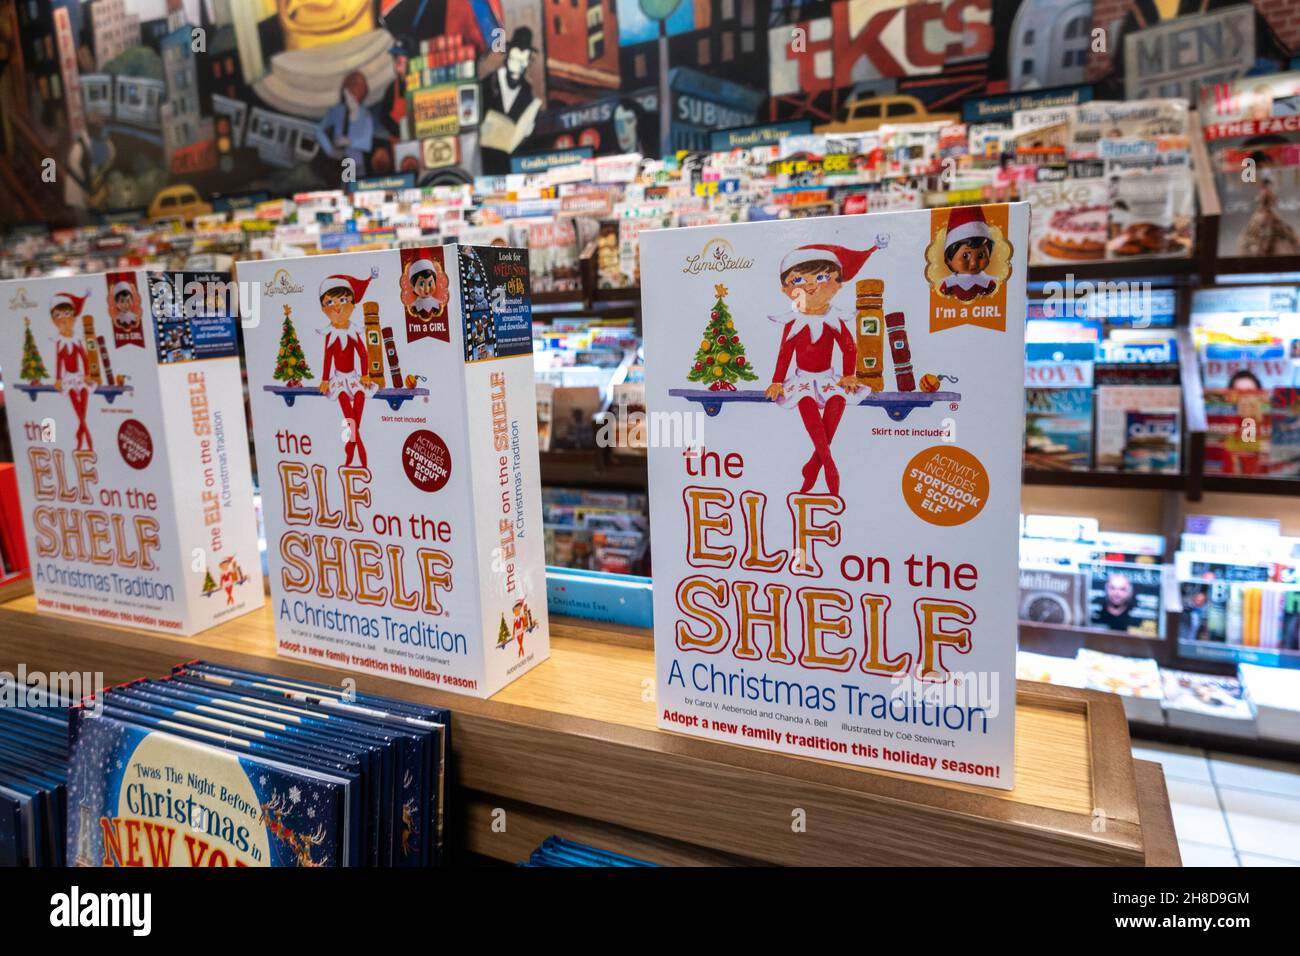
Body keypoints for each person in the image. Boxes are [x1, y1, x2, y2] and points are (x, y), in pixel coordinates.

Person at [764, 242, 884, 495]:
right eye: (799, 280)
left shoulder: (834, 318)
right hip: (803, 379)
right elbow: (784, 353)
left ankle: (814, 464)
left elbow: (849, 348)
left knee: (837, 402)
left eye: (821, 277)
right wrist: (777, 380)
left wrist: (850, 374)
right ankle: (828, 464)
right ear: (786, 289)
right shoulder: (793, 321)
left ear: (838, 283)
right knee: (805, 401)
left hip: (828, 377)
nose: (810, 286)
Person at [317, 269, 379, 467]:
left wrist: (365, 374)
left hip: (355, 378)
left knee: (359, 402)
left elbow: (363, 353)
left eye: (342, 300)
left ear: (352, 304)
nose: (336, 306)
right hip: (339, 380)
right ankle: (358, 451)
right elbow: (327, 358)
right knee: (348, 414)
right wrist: (325, 379)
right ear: (323, 308)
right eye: (330, 302)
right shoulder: (330, 334)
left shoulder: (353, 331)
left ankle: (351, 449)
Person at [480, 27, 538, 174]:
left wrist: (527, 132)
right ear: (507, 57)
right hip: (485, 166)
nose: (517, 69)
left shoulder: (527, 93)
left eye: (523, 63)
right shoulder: (488, 84)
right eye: (515, 60)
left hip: (512, 169)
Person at [50, 291, 94, 451]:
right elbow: (58, 361)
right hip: (68, 379)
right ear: (53, 320)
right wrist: (58, 379)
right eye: (58, 315)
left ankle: (82, 436)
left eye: (67, 314)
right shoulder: (59, 342)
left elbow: (84, 357)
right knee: (79, 413)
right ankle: (86, 437)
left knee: (83, 410)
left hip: (80, 378)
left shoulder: (76, 340)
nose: (63, 319)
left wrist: (88, 374)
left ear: (74, 317)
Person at [317, 71, 375, 177]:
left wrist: (350, 142)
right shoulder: (335, 110)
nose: (351, 98)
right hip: (334, 163)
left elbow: (367, 143)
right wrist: (329, 150)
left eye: (355, 96)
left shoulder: (366, 115)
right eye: (348, 93)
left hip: (354, 163)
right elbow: (319, 130)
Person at [937, 206, 997, 301]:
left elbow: (994, 297)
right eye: (966, 256)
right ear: (948, 259)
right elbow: (941, 298)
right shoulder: (950, 282)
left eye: (981, 255)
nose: (974, 263)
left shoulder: (986, 282)